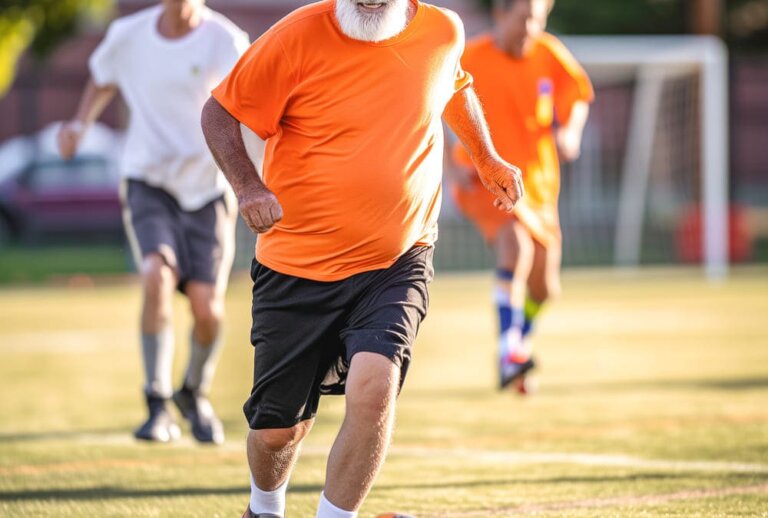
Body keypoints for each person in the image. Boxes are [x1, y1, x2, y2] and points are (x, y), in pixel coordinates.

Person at [200, 0, 523, 515]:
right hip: (296, 266)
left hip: (398, 256)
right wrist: (248, 187)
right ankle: (263, 507)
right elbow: (219, 112)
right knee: (278, 432)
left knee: (375, 389)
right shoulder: (296, 35)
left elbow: (453, 86)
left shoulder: (443, 30)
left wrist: (486, 157)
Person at [57, 0, 249, 444]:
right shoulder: (129, 35)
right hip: (148, 180)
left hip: (208, 188)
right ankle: (156, 403)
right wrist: (78, 125)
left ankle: (193, 392)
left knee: (207, 309)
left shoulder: (226, 40)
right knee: (155, 275)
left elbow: (250, 104)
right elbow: (102, 79)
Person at [448, 0, 593, 393]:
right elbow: (431, 110)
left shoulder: (548, 53)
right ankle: (509, 352)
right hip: (485, 178)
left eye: (538, 20)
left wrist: (571, 131)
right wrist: (451, 162)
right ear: (500, 14)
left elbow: (576, 95)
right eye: (524, 19)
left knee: (545, 288)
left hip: (539, 186)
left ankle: (517, 346)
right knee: (516, 248)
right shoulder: (469, 57)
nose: (531, 28)